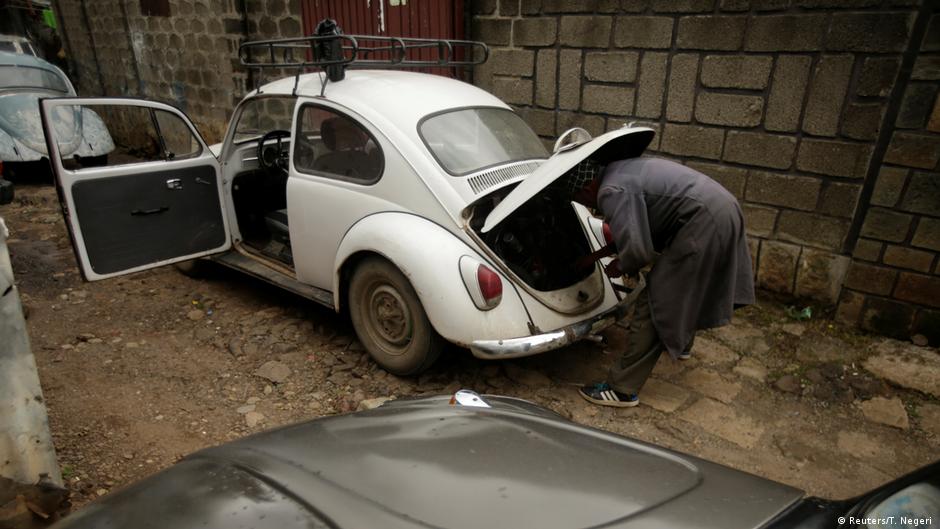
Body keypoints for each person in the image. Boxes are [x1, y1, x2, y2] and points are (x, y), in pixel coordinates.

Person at [566, 156, 754, 408]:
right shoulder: (619, 171)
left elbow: (637, 249)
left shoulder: (611, 191)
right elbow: (637, 228)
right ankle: (680, 342)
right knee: (687, 285)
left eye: (583, 201)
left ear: (587, 188)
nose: (591, 206)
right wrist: (595, 256)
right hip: (722, 208)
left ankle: (622, 389)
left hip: (703, 221)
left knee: (657, 300)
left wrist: (621, 264)